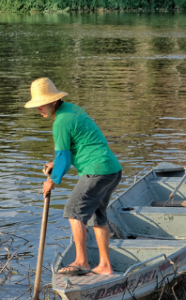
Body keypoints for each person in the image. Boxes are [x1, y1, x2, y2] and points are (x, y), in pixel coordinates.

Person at [25, 78, 122, 276]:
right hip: (111, 169)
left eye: (41, 105)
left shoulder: (60, 122)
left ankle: (81, 262)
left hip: (97, 171)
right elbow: (78, 146)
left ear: (53, 102)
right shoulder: (71, 109)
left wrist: (50, 181)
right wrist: (57, 164)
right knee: (98, 215)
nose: (38, 110)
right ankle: (105, 265)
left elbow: (63, 156)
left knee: (72, 210)